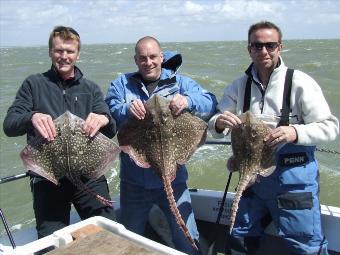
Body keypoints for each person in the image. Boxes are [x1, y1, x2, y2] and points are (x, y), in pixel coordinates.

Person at [208, 21, 339, 255]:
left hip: (294, 179)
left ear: (280, 47)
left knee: (305, 243)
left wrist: (296, 132)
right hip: (252, 179)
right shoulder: (239, 86)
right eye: (257, 46)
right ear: (249, 49)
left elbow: (330, 127)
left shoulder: (300, 82)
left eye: (270, 45)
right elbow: (216, 121)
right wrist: (218, 122)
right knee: (239, 235)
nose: (264, 51)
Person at [3, 26, 117, 241]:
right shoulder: (33, 84)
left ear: (78, 54)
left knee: (108, 233)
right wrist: (32, 117)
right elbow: (9, 125)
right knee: (51, 241)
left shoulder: (90, 88)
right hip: (49, 176)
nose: (64, 56)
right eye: (58, 51)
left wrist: (104, 119)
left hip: (88, 174)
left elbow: (111, 131)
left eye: (69, 51)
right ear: (50, 52)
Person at [105, 36, 217, 254]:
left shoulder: (180, 83)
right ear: (135, 60)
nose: (148, 62)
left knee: (186, 234)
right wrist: (126, 110)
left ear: (161, 57)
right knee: (131, 236)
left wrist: (188, 101)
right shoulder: (121, 84)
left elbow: (210, 101)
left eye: (153, 57)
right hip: (133, 182)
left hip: (174, 179)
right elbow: (109, 110)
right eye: (143, 58)